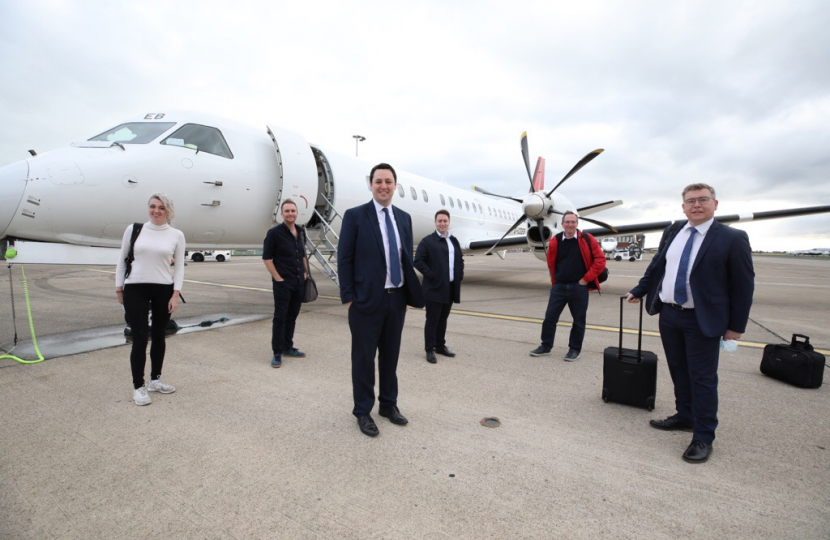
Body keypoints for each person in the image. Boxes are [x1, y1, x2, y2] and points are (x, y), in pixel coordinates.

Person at [626, 183, 754, 464]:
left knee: (703, 379)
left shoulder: (732, 238)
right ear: (683, 206)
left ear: (715, 204)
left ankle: (704, 436)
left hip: (702, 319)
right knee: (679, 371)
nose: (697, 205)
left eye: (703, 200)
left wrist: (736, 327)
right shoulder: (674, 231)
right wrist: (640, 288)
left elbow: (744, 286)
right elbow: (658, 265)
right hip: (670, 315)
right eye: (691, 201)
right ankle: (685, 416)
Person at [338, 163, 425, 437]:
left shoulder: (404, 218)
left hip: (396, 300)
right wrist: (349, 298)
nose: (383, 186)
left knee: (391, 357)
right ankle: (363, 411)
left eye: (388, 181)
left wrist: (408, 293)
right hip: (365, 302)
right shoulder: (355, 216)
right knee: (363, 359)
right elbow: (345, 259)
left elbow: (405, 259)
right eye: (378, 181)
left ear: (394, 185)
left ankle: (388, 405)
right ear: (371, 184)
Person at [115, 193, 185, 406]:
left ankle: (155, 379)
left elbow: (180, 267)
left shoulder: (176, 235)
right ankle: (139, 386)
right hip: (135, 289)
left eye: (161, 208)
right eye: (153, 206)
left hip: (163, 290)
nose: (156, 211)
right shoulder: (134, 230)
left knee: (159, 336)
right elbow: (122, 260)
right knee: (140, 338)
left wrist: (175, 294)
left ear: (168, 211)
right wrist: (119, 289)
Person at [530, 211, 606, 361]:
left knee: (578, 320)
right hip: (559, 287)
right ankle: (546, 346)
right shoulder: (555, 241)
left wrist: (585, 279)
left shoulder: (587, 239)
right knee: (549, 318)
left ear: (577, 224)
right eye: (567, 222)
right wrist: (555, 282)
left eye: (573, 222)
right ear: (562, 224)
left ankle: (574, 349)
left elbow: (600, 261)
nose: (570, 225)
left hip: (578, 287)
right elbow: (551, 264)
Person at [262, 199, 309, 368]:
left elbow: (302, 254)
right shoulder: (274, 233)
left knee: (292, 317)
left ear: (297, 213)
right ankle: (277, 352)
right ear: (282, 214)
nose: (290, 213)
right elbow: (267, 258)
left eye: (293, 211)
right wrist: (278, 278)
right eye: (287, 211)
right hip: (283, 284)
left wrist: (305, 272)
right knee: (280, 318)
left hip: (298, 282)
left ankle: (288, 347)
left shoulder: (300, 231)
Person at [414, 210, 464, 364]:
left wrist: (459, 275)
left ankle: (440, 345)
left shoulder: (453, 241)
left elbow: (459, 260)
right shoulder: (428, 241)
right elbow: (418, 261)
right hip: (434, 288)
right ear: (435, 222)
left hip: (449, 287)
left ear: (449, 222)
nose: (442, 223)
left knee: (443, 318)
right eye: (440, 221)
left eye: (445, 221)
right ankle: (430, 349)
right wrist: (432, 274)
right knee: (432, 319)